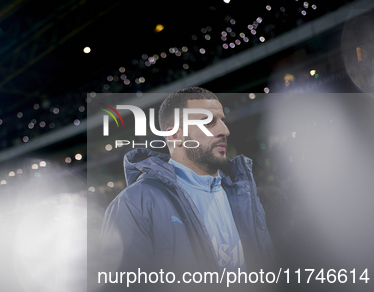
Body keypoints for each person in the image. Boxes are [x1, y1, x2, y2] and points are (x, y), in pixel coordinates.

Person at [100, 87, 275, 277]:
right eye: (208, 122)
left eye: (222, 121)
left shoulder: (242, 193)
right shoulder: (133, 204)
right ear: (175, 135)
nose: (225, 130)